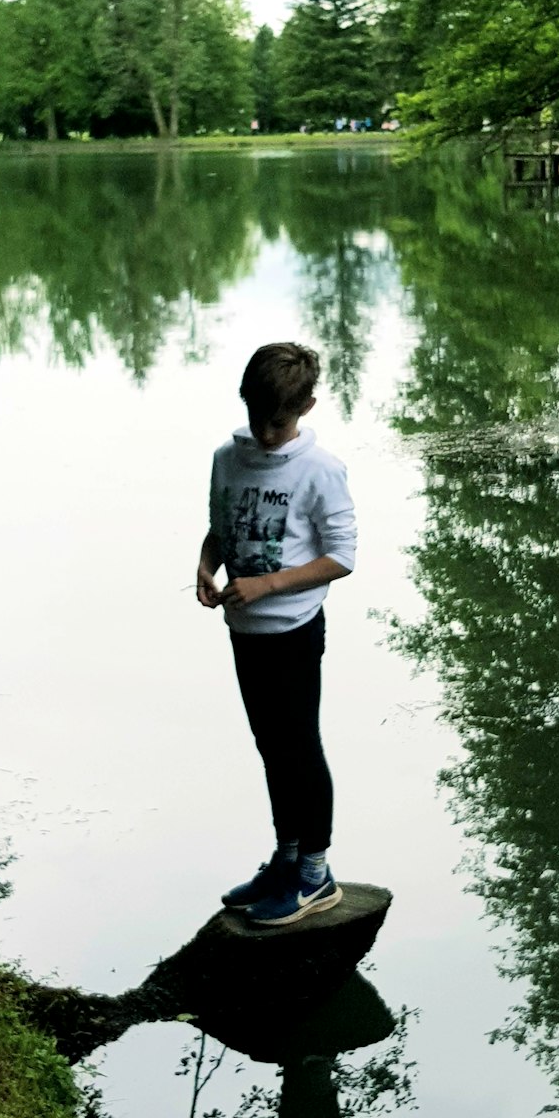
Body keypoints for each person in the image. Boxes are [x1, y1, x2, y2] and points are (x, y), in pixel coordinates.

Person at [196, 342, 357, 927]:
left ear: (307, 407)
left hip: (291, 630)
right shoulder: (226, 457)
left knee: (298, 747)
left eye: (279, 421)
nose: (266, 433)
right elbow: (222, 527)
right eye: (257, 418)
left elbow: (341, 557)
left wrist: (268, 585)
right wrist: (206, 567)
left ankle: (315, 873)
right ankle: (286, 859)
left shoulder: (321, 470)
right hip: (242, 630)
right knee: (270, 748)